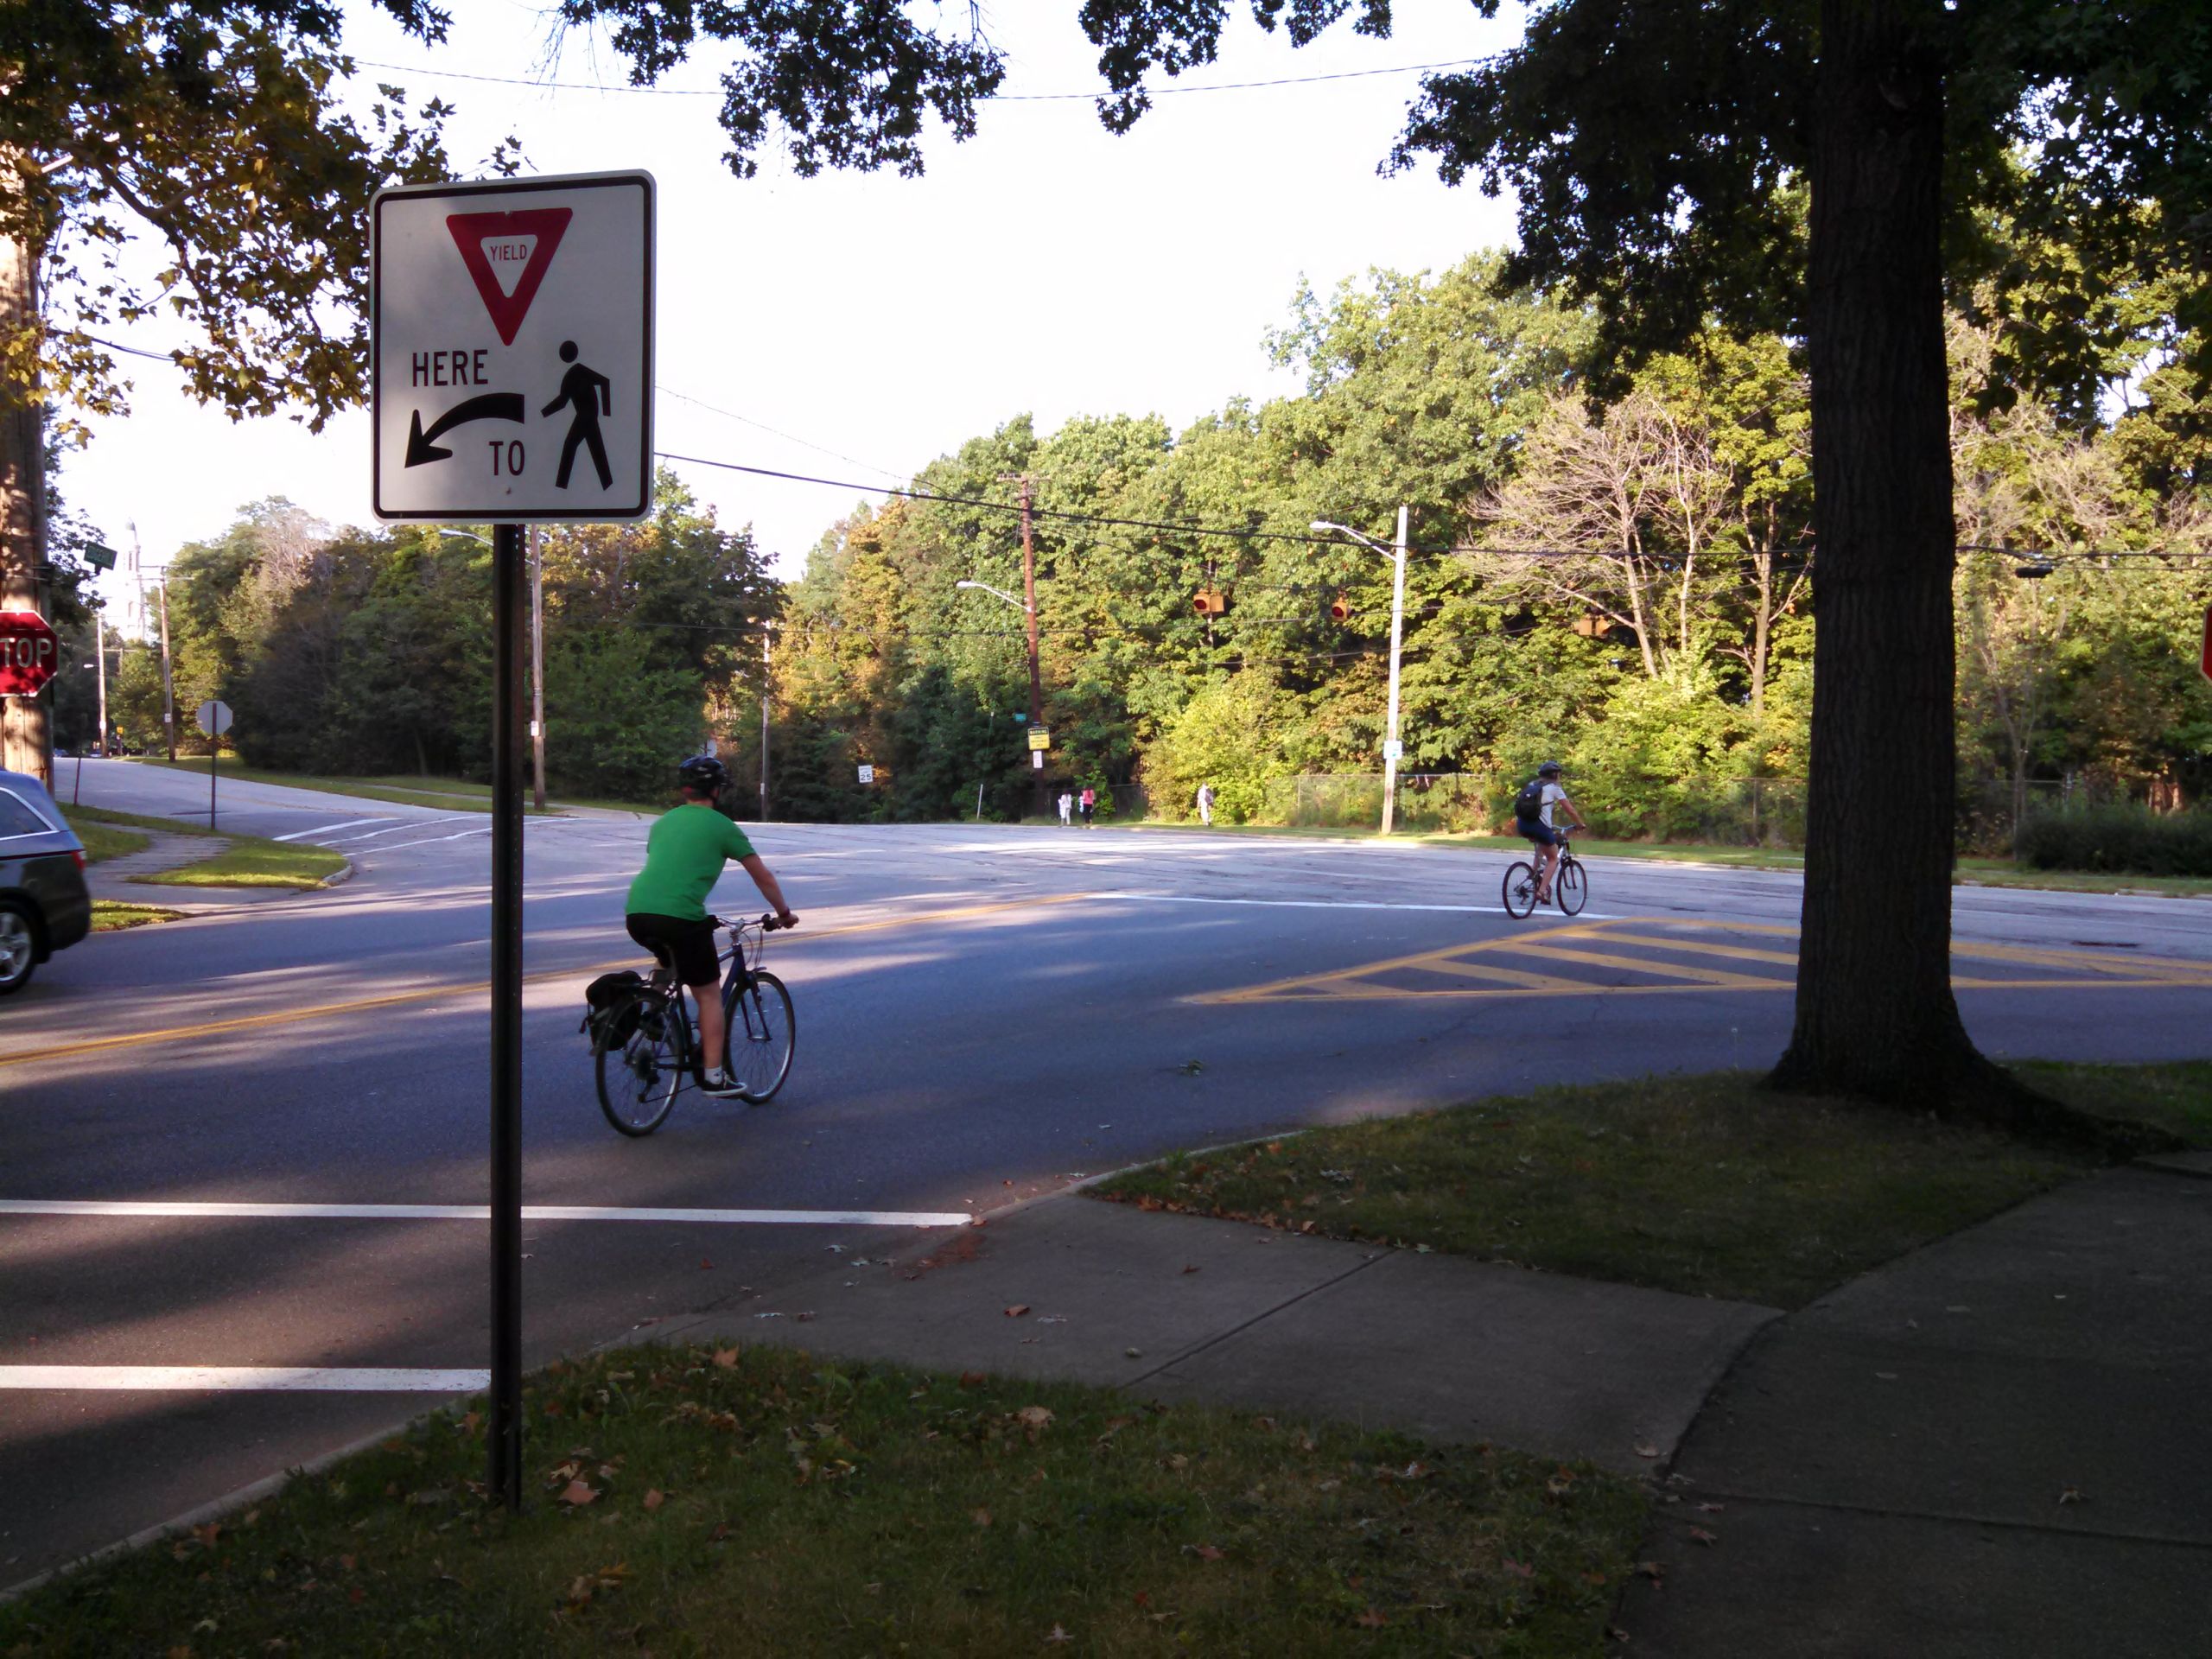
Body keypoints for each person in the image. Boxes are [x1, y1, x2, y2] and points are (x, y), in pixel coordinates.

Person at [626, 753, 798, 1096]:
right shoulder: (722, 826)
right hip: (680, 917)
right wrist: (783, 913)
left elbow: (669, 870)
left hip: (638, 912)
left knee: (668, 953)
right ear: (716, 791)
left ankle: (653, 1010)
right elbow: (762, 876)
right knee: (708, 996)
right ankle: (714, 1075)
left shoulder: (663, 823)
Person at [1513, 760, 1586, 904]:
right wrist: (1580, 824)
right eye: (1559, 774)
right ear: (1555, 775)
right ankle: (1541, 891)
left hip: (1522, 825)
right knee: (1553, 858)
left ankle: (1531, 880)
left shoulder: (1532, 785)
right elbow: (1569, 809)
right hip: (1539, 827)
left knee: (1540, 852)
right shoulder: (1554, 788)